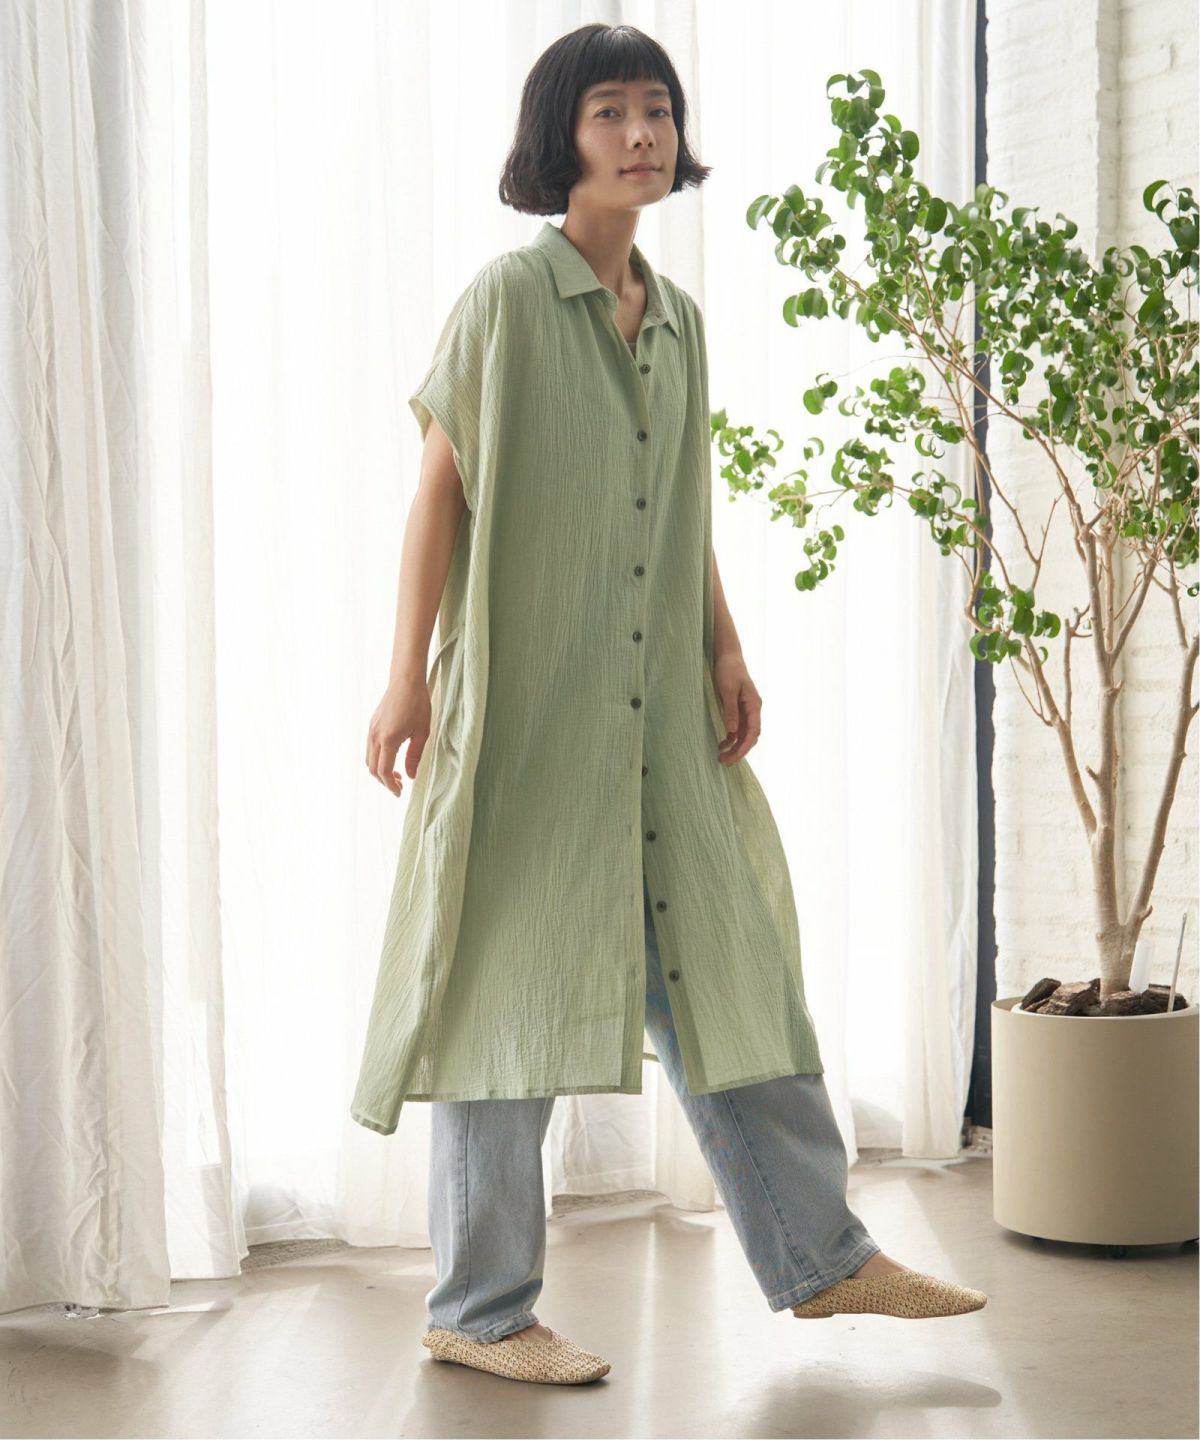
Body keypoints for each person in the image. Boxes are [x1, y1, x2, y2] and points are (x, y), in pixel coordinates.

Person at [359, 23, 987, 1387]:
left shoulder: (680, 321)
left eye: (657, 108)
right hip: (526, 713)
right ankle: (479, 1312)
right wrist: (406, 674)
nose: (642, 134)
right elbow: (437, 495)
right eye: (611, 112)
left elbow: (676, 506)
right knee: (505, 995)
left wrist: (726, 648)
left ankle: (822, 1256)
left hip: (655, 716)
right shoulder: (507, 299)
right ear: (560, 138)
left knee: (728, 955)